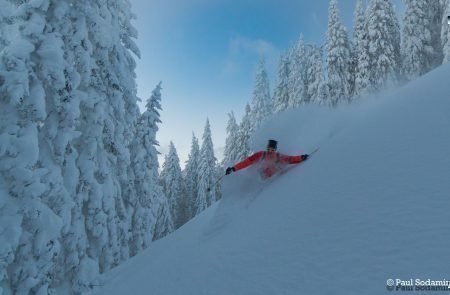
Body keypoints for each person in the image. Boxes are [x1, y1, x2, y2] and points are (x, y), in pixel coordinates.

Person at [225, 139, 309, 179]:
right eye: (269, 149)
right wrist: (233, 168)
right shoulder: (261, 154)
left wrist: (301, 158)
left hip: (273, 178)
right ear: (267, 148)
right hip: (260, 177)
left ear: (275, 150)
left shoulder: (278, 156)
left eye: (272, 150)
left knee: (278, 167)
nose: (270, 151)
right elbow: (247, 162)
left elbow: (290, 159)